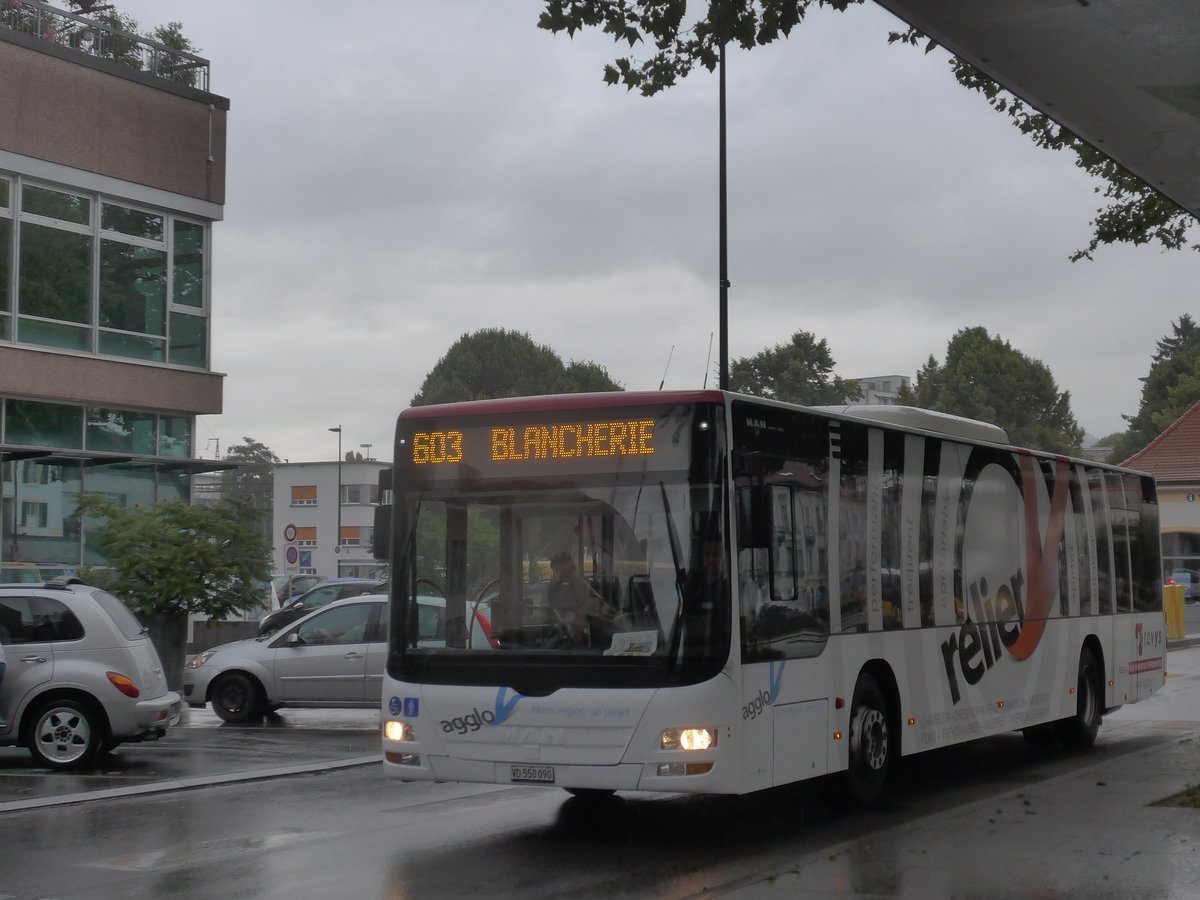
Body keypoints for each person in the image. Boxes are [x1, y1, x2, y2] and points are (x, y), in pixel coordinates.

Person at [545, 552, 618, 644]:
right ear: (554, 570)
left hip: (583, 640)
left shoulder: (582, 586)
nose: (563, 573)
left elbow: (602, 608)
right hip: (558, 638)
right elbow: (544, 613)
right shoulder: (550, 590)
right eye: (559, 570)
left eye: (568, 570)